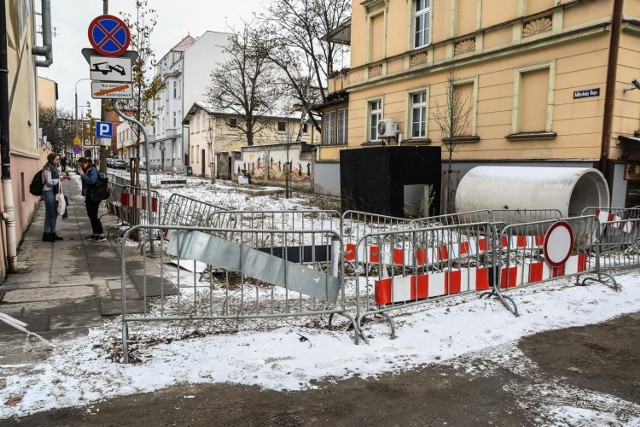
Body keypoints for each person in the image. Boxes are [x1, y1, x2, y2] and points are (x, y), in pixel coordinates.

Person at [42, 153, 70, 242]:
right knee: (53, 213)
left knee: (49, 214)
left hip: (51, 192)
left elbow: (54, 178)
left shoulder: (53, 168)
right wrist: (59, 179)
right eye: (56, 160)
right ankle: (51, 233)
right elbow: (49, 182)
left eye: (58, 160)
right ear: (51, 159)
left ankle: (47, 234)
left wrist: (62, 177)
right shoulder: (47, 168)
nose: (58, 162)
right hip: (48, 192)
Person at [77, 157, 106, 242]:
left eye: (81, 164)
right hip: (90, 195)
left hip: (95, 196)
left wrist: (82, 175)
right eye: (80, 165)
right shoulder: (88, 170)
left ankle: (101, 235)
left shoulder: (92, 169)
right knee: (91, 215)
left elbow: (92, 181)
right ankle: (95, 234)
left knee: (93, 215)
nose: (81, 166)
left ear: (86, 163)